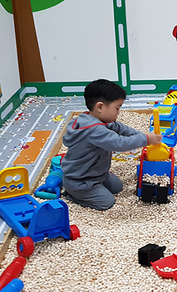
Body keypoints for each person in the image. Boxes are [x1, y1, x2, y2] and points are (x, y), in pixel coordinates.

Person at [61, 79, 162, 210]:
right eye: (117, 108)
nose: (118, 113)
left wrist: (139, 135)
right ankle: (72, 195)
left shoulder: (97, 119)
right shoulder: (94, 130)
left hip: (98, 173)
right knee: (107, 202)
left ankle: (96, 183)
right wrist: (146, 139)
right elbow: (119, 144)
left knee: (117, 187)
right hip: (81, 180)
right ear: (100, 107)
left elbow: (120, 128)